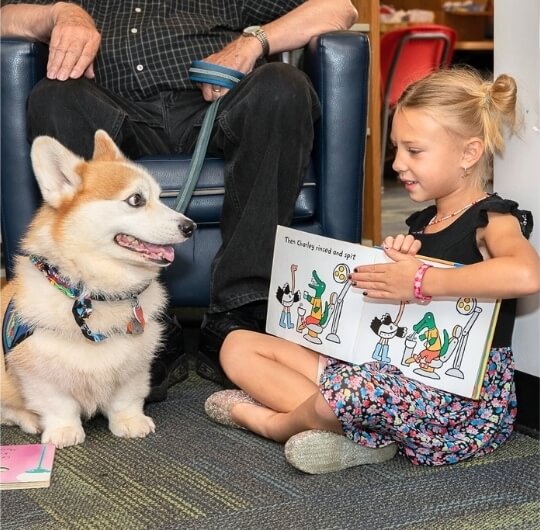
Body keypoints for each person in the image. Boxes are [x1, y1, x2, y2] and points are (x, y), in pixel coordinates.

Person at [0, 0, 359, 401]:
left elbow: (338, 8)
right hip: (110, 119)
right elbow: (5, 17)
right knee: (55, 95)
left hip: (217, 108)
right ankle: (137, 319)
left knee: (282, 86)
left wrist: (254, 42)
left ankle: (240, 313)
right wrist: (59, 14)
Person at [203, 67, 540, 474]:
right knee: (238, 344)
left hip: (452, 399)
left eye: (414, 151)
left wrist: (418, 280)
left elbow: (525, 274)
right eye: (396, 149)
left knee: (351, 390)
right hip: (385, 372)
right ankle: (357, 434)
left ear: (469, 154)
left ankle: (274, 423)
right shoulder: (420, 222)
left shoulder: (492, 218)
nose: (397, 163)